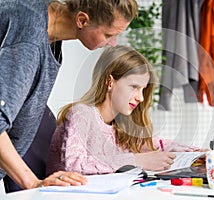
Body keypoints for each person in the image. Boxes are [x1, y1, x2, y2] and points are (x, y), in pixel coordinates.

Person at [0, 0, 138, 189]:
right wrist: (32, 183)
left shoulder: (46, 26)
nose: (113, 44)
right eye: (109, 35)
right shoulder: (29, 40)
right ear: (82, 20)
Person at [46, 45, 201, 175]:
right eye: (134, 87)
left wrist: (199, 154)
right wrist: (137, 160)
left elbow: (157, 144)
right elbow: (73, 165)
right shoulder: (81, 114)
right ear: (110, 82)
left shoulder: (120, 125)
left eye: (143, 89)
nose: (140, 98)